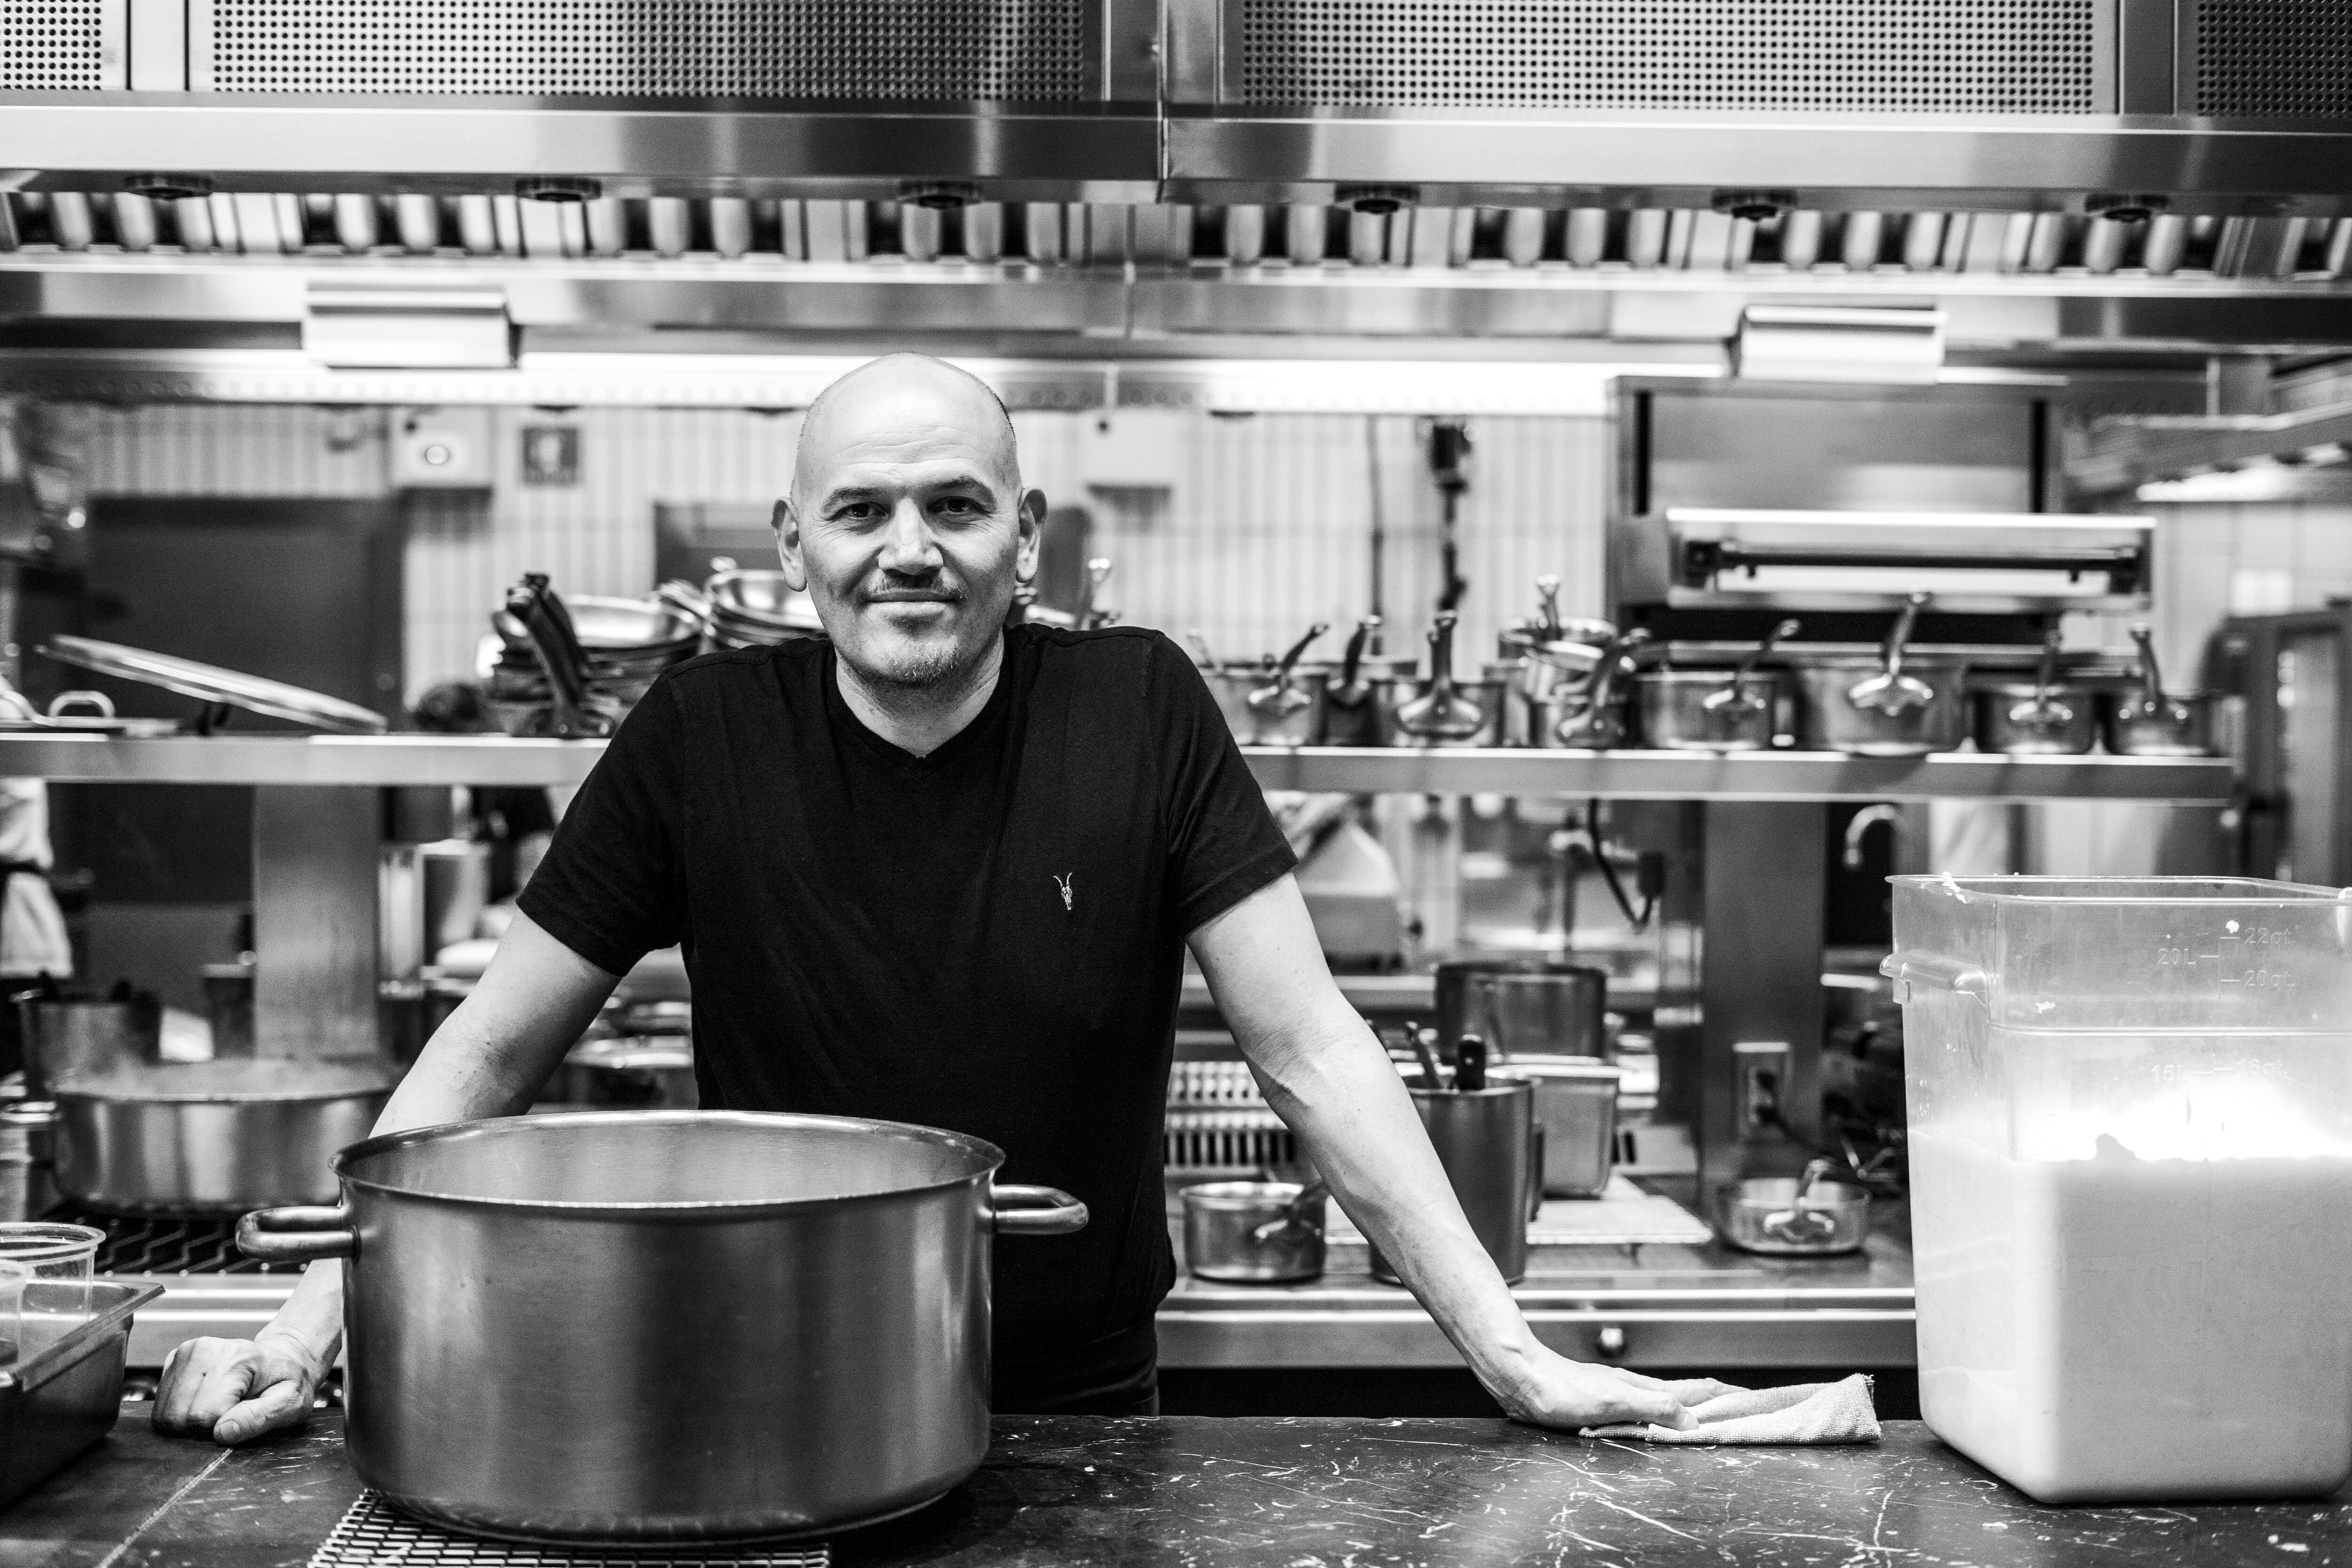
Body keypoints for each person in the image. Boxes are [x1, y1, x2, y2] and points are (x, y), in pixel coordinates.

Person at [154, 354, 1725, 1441]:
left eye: (956, 507)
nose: (910, 552)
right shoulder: (701, 737)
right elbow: (487, 1060)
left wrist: (1509, 1354)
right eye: (861, 513)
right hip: (765, 1392)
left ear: (1024, 538)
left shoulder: (1139, 708)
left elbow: (1311, 1050)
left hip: (1086, 1407)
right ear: (796, 545)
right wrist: (311, 1322)